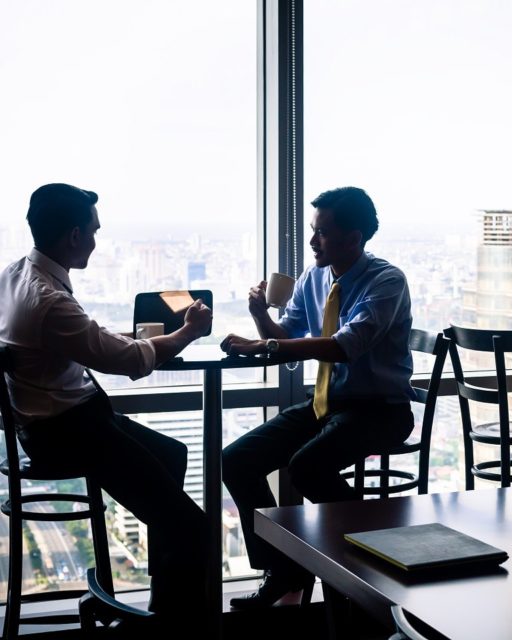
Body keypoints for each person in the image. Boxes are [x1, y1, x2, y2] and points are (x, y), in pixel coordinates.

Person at [0, 183, 212, 616]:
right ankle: (171, 630)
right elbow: (129, 361)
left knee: (173, 454)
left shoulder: (15, 275)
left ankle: (161, 600)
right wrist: (187, 331)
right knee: (195, 529)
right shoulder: (49, 300)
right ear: (74, 236)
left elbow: (79, 340)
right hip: (70, 431)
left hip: (52, 424)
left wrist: (111, 339)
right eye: (93, 232)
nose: (97, 242)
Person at [221, 186, 415, 609]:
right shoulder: (313, 278)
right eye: (314, 231)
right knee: (235, 460)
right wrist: (260, 317)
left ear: (355, 237)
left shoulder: (386, 281)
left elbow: (346, 345)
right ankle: (284, 568)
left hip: (381, 410)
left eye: (322, 233)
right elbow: (285, 338)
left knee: (307, 467)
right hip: (325, 405)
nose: (312, 242)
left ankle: (365, 561)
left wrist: (266, 348)